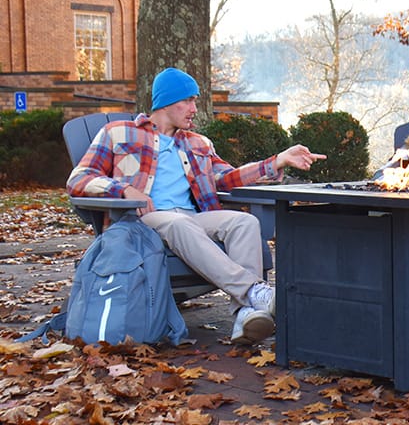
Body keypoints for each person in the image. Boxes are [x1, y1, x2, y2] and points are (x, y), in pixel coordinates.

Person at [67, 67, 326, 345]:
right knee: (178, 223)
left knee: (244, 222)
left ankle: (245, 314)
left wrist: (277, 161)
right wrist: (124, 190)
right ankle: (254, 291)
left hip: (191, 219)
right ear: (167, 102)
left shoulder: (198, 143)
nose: (194, 109)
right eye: (188, 100)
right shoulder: (118, 133)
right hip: (142, 223)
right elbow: (79, 179)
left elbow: (227, 178)